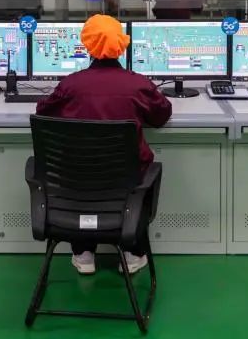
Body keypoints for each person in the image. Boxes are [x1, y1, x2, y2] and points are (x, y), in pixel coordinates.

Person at [35, 14, 172, 276]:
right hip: (127, 184)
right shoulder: (138, 84)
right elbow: (161, 115)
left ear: (88, 45)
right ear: (122, 45)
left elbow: (43, 111)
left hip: (75, 185)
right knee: (138, 171)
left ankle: (83, 252)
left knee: (84, 173)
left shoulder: (70, 85)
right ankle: (132, 253)